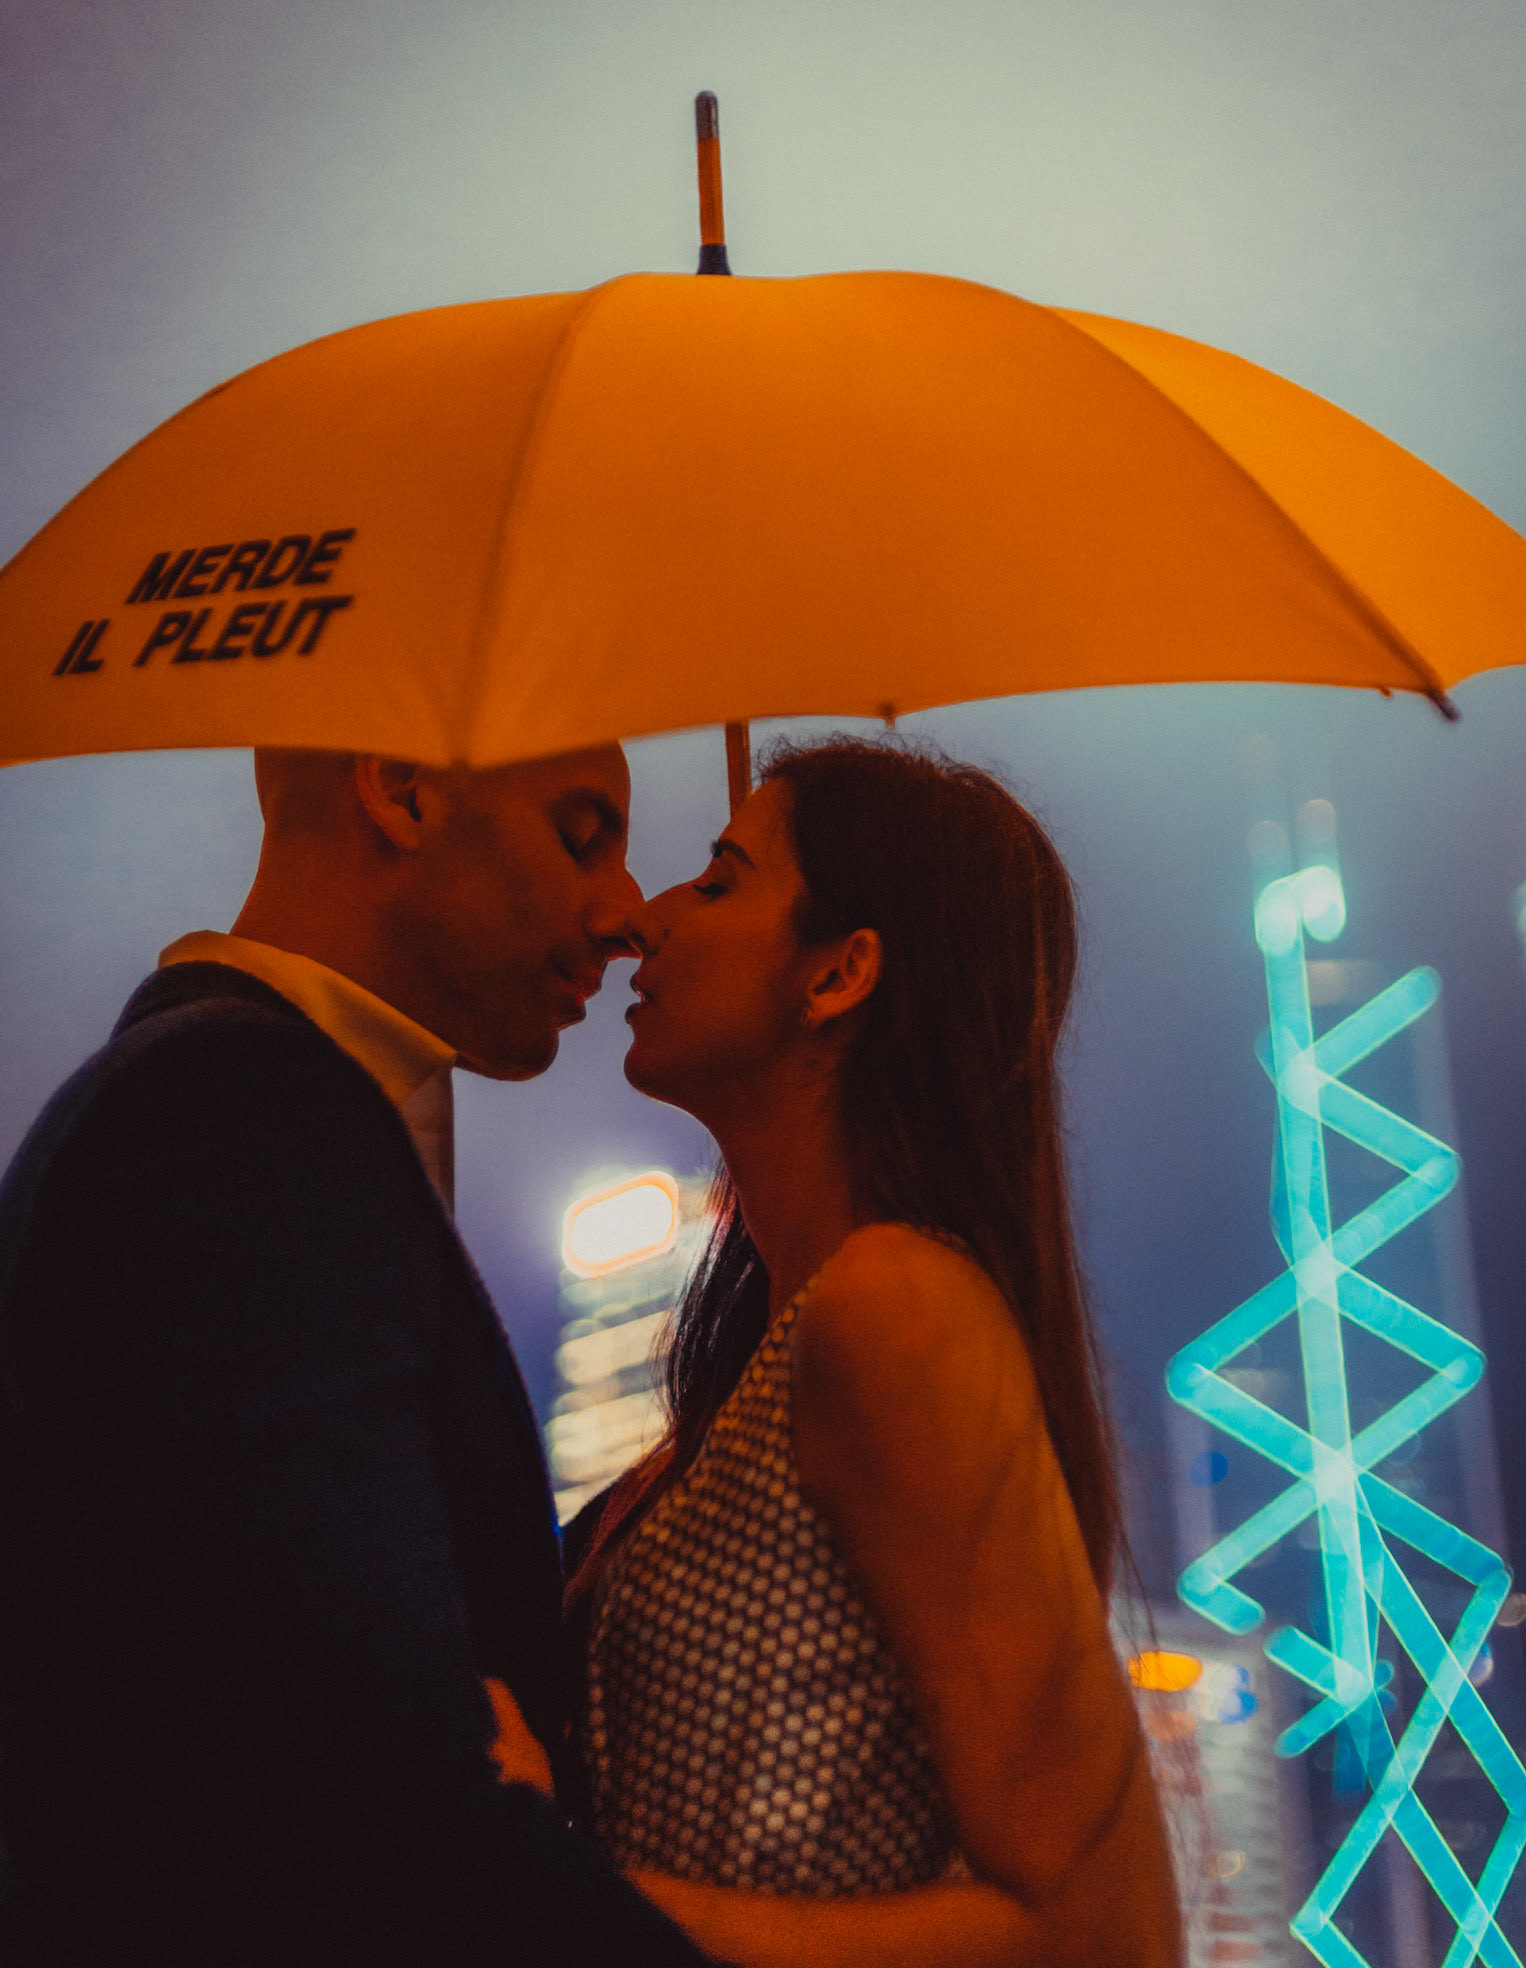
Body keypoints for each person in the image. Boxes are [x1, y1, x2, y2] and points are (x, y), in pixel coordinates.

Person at [0, 747, 719, 1967]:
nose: (627, 914)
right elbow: (382, 1809)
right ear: (402, 789)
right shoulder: (239, 1117)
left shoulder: (226, 1100)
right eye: (581, 831)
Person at [565, 736, 1183, 1968]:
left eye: (722, 877)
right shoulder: (781, 1352)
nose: (647, 918)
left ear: (840, 973)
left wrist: (566, 1896)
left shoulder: (896, 1307)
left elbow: (1097, 1932)